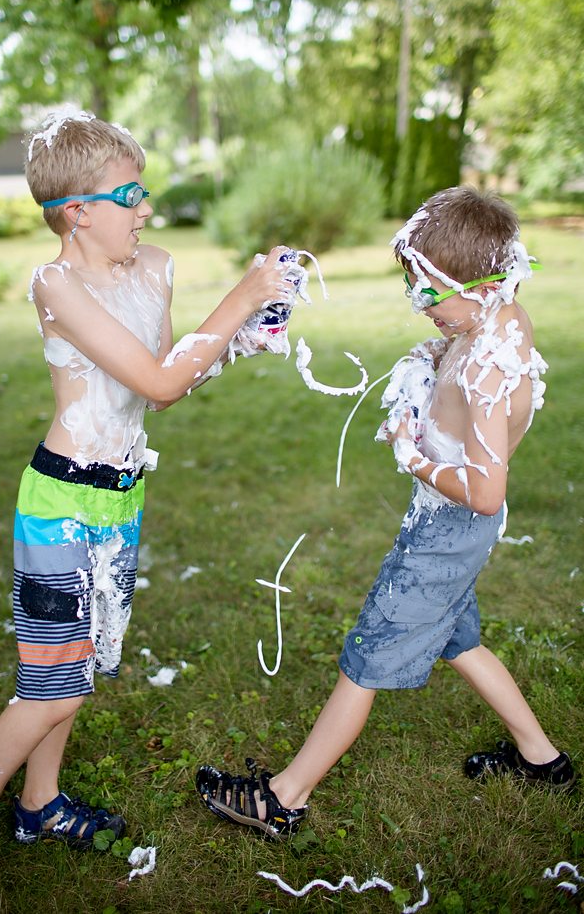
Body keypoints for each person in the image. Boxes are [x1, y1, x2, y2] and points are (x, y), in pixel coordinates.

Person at [0, 111, 293, 910]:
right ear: (76, 211)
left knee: (79, 667)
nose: (146, 210)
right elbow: (161, 381)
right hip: (60, 499)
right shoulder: (55, 283)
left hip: (121, 499)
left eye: (145, 192)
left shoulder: (152, 266)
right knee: (52, 685)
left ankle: (40, 806)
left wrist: (241, 337)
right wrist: (240, 295)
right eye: (129, 196)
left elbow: (161, 383)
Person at [196, 186, 575, 839]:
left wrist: (412, 455)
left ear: (481, 283)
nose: (419, 307)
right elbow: (451, 351)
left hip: (445, 533)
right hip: (452, 530)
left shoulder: (491, 366)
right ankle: (544, 760)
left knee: (366, 658)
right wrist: (423, 369)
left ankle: (284, 798)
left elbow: (485, 491)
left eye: (429, 294)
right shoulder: (495, 318)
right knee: (461, 640)